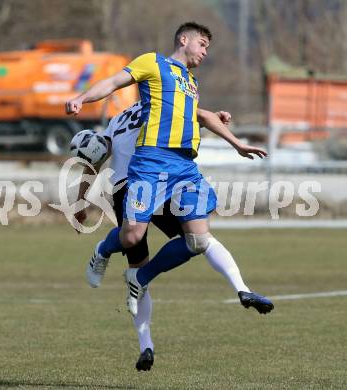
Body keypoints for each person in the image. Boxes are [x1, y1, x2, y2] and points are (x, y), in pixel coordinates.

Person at [66, 22, 273, 323]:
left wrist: (235, 142)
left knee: (199, 240)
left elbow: (195, 115)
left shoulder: (189, 82)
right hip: (150, 163)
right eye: (202, 44)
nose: (205, 51)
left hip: (184, 167)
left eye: (207, 47)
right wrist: (82, 98)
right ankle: (104, 250)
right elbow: (112, 83)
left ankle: (144, 279)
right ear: (183, 39)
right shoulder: (152, 63)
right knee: (133, 236)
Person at [74, 101, 273, 371]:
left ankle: (243, 290)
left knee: (199, 240)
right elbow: (95, 157)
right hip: (128, 186)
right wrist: (80, 202)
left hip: (164, 181)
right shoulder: (124, 117)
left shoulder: (158, 103)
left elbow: (197, 116)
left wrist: (215, 119)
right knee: (135, 252)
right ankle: (145, 344)